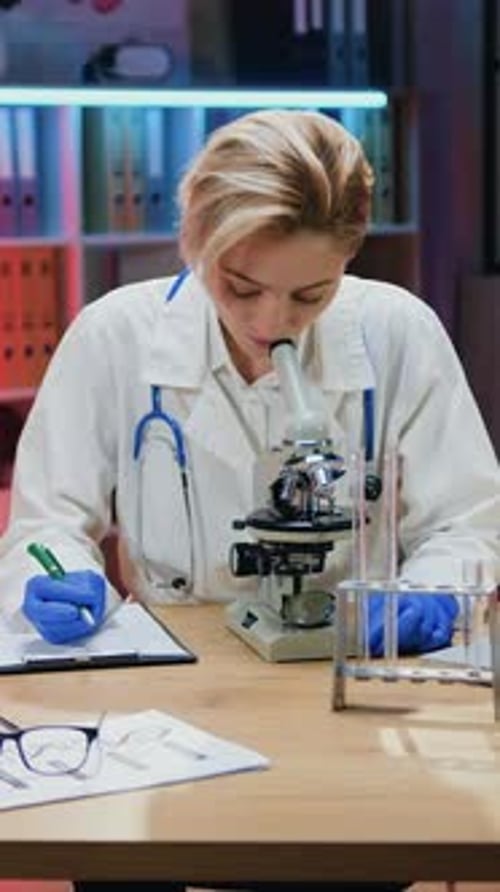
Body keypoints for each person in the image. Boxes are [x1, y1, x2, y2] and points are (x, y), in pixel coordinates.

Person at [0, 109, 499, 892]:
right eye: (240, 285)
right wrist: (58, 576)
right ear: (193, 237)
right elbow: (49, 522)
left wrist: (429, 591)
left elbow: (467, 518)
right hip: (162, 707)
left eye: (312, 293)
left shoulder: (399, 333)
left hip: (342, 694)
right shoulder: (115, 337)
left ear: (351, 257)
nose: (273, 323)